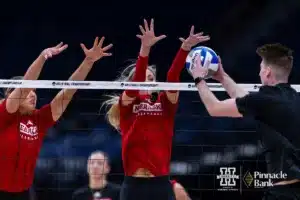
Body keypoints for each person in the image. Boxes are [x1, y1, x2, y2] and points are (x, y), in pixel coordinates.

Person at [103, 18, 209, 200]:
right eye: (144, 77)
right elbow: (135, 85)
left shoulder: (165, 102)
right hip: (133, 185)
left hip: (160, 184)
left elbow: (172, 76)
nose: (148, 81)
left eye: (151, 78)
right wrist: (145, 49)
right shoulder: (127, 103)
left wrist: (185, 49)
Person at [0, 37, 113, 200]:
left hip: (23, 193)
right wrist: (42, 57)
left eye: (36, 92)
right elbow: (25, 86)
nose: (34, 95)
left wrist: (88, 62)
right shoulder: (5, 115)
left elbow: (68, 92)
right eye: (30, 92)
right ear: (10, 95)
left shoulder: (40, 119)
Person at [190, 43, 300, 199]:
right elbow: (246, 100)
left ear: (267, 72)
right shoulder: (293, 97)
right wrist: (222, 77)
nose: (259, 71)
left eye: (261, 67)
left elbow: (214, 108)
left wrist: (198, 78)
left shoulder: (265, 100)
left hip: (283, 193)